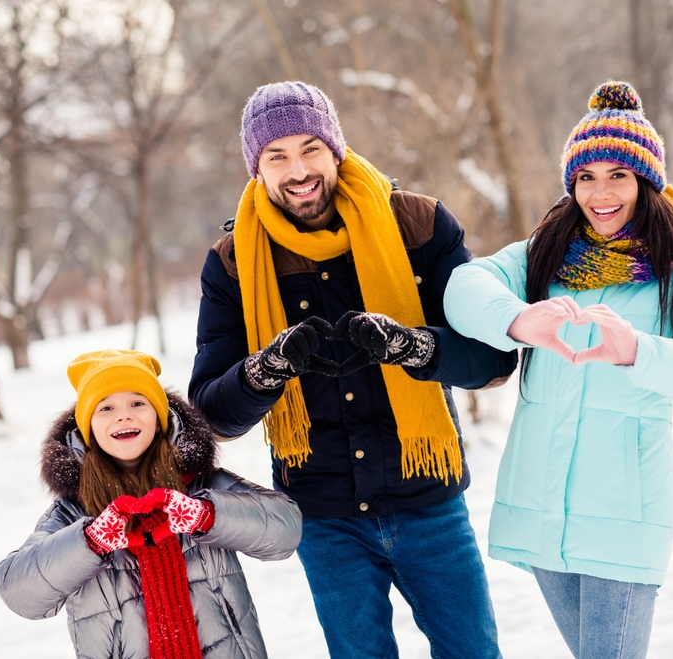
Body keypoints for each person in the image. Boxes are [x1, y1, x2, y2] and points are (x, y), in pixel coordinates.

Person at [188, 81, 517, 659]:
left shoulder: (420, 226)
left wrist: (412, 347)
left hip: (429, 503)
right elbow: (212, 413)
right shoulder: (234, 264)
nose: (298, 170)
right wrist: (266, 371)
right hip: (326, 519)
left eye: (310, 147)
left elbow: (493, 360)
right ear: (256, 167)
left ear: (335, 147)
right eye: (277, 155)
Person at [443, 81, 673, 659]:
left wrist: (639, 349)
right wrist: (517, 321)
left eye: (619, 175)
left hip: (623, 520)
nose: (601, 192)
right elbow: (463, 286)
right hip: (543, 515)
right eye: (587, 176)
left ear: (646, 181)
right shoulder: (545, 255)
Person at [0, 349, 302, 659]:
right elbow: (21, 594)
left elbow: (285, 530)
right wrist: (90, 542)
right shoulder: (73, 511)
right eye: (105, 407)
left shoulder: (201, 482)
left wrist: (206, 516)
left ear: (159, 418)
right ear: (89, 429)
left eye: (138, 403)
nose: (123, 415)